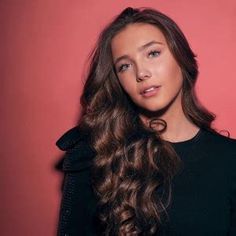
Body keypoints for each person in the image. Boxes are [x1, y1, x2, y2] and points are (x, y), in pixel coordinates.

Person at [56, 7, 236, 236]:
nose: (141, 72)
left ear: (181, 56)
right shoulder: (98, 154)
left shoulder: (230, 160)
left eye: (152, 53)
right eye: (125, 66)